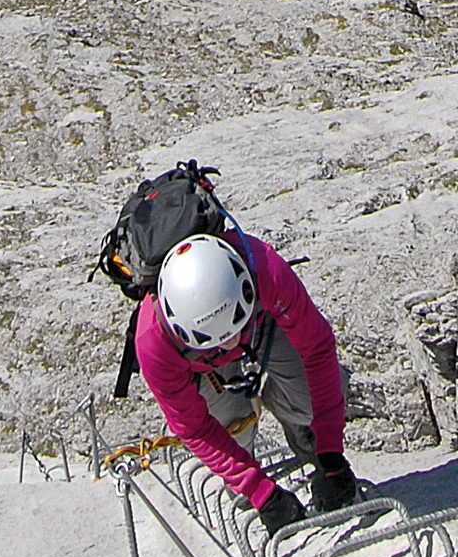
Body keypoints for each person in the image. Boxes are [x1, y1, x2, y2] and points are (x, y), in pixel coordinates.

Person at [136, 229, 359, 537]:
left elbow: (318, 350)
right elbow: (193, 428)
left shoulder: (264, 268)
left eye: (232, 331)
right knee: (233, 439)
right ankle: (246, 424)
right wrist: (260, 493)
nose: (229, 344)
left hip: (263, 324)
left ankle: (294, 419)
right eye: (217, 340)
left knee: (313, 399)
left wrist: (331, 453)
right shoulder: (154, 344)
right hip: (203, 367)